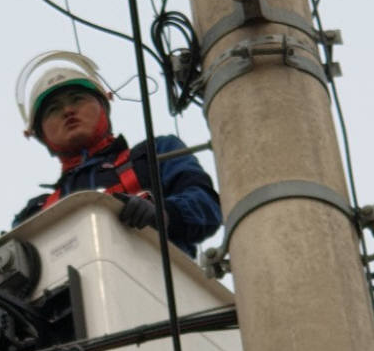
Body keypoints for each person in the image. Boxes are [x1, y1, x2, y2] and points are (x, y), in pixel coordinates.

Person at [13, 53, 221, 257]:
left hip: (159, 285)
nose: (68, 110)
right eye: (53, 109)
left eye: (77, 99)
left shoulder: (155, 154)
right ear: (40, 133)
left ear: (104, 106)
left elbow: (207, 204)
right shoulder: (35, 213)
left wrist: (162, 213)